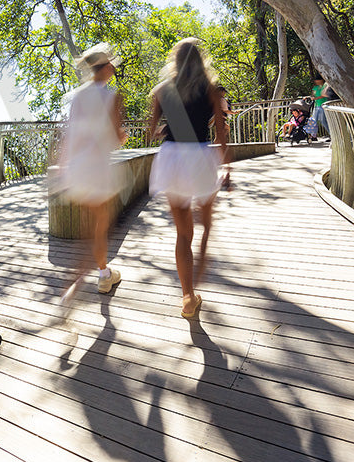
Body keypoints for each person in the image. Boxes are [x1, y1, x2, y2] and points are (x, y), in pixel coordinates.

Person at [147, 38, 227, 319]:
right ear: (200, 60)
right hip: (200, 156)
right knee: (205, 216)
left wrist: (165, 129)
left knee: (182, 233)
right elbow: (221, 132)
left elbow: (151, 131)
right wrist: (227, 166)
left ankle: (188, 297)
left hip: (171, 158)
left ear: (176, 61)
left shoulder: (161, 91)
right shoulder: (211, 91)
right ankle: (203, 256)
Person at [54, 43, 128, 307]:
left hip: (77, 167)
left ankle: (100, 273)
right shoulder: (112, 97)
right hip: (97, 168)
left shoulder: (77, 96)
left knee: (91, 226)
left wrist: (62, 167)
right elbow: (115, 137)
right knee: (99, 226)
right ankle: (89, 281)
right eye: (111, 65)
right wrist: (122, 136)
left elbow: (69, 134)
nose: (113, 69)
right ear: (105, 68)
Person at [310, 73, 329, 139]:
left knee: (323, 121)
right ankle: (313, 135)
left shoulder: (325, 86)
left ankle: (331, 134)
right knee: (313, 120)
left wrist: (316, 98)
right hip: (316, 105)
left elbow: (324, 94)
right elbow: (313, 94)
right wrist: (312, 97)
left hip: (323, 105)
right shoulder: (315, 87)